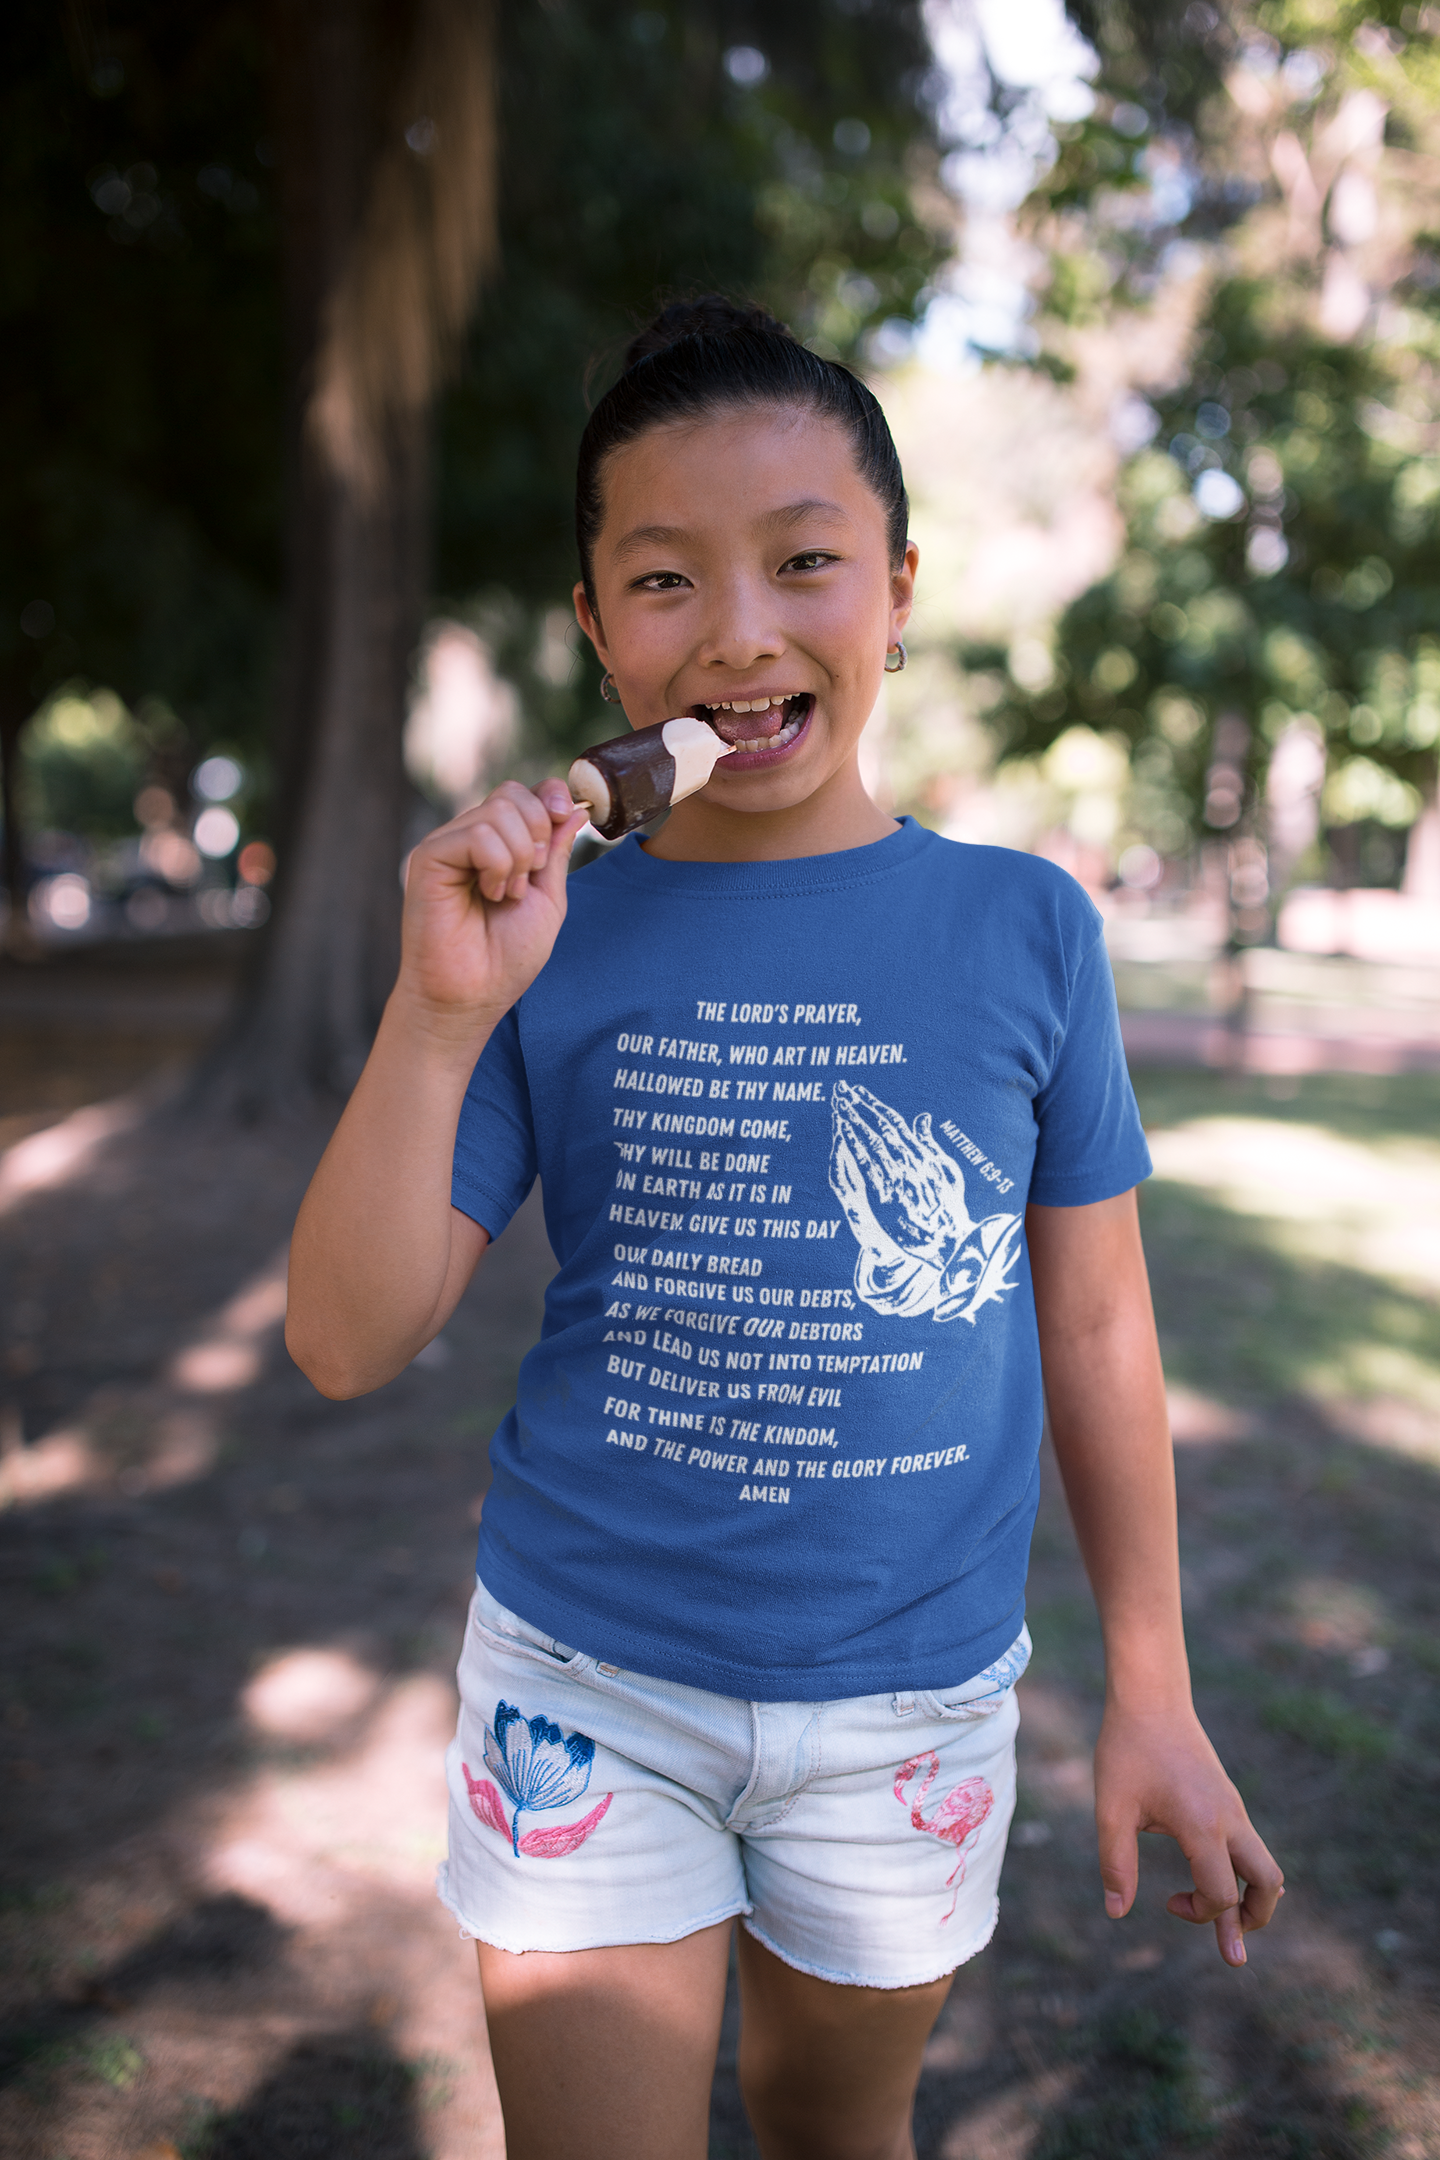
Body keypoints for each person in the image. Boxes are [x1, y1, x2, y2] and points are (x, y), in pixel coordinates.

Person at [285, 296, 1283, 2160]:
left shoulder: (1026, 928)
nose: (738, 630)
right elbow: (345, 1338)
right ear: (597, 629)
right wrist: (439, 1018)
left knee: (840, 2136)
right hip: (589, 1692)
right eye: (665, 581)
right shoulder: (546, 933)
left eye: (805, 561)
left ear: (896, 591)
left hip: (907, 1706)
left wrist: (1150, 1688)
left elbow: (1094, 1333)